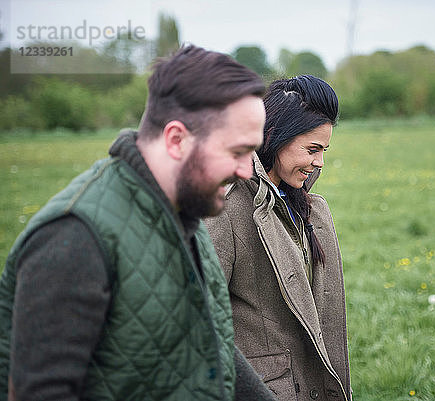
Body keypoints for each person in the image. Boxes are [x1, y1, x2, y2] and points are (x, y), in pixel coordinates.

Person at [0, 45, 277, 401]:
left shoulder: (187, 210)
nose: (246, 171)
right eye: (237, 152)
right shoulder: (74, 236)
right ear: (177, 139)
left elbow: (211, 344)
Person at [205, 75, 351, 401]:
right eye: (312, 149)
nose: (320, 162)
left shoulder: (305, 207)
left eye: (324, 150)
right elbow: (197, 321)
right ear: (276, 137)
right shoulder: (225, 208)